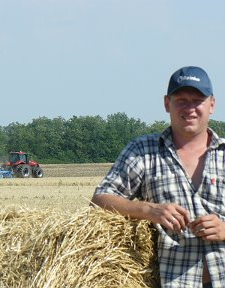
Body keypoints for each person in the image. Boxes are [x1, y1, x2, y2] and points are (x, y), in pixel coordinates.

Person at [91, 66, 225, 288]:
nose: (189, 108)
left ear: (212, 104)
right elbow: (99, 200)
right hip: (176, 281)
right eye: (181, 100)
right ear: (167, 103)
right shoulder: (143, 151)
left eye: (197, 100)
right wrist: (148, 210)